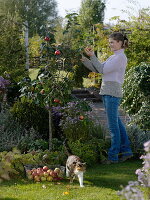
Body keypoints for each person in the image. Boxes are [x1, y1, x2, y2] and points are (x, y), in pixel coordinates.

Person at [81, 32, 133, 164]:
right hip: (107, 92)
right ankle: (126, 152)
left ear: (120, 43)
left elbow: (101, 70)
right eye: (109, 42)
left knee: (113, 126)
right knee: (117, 124)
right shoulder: (113, 57)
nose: (110, 45)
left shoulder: (120, 58)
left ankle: (113, 156)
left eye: (112, 42)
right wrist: (85, 59)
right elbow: (99, 68)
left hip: (112, 93)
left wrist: (92, 56)